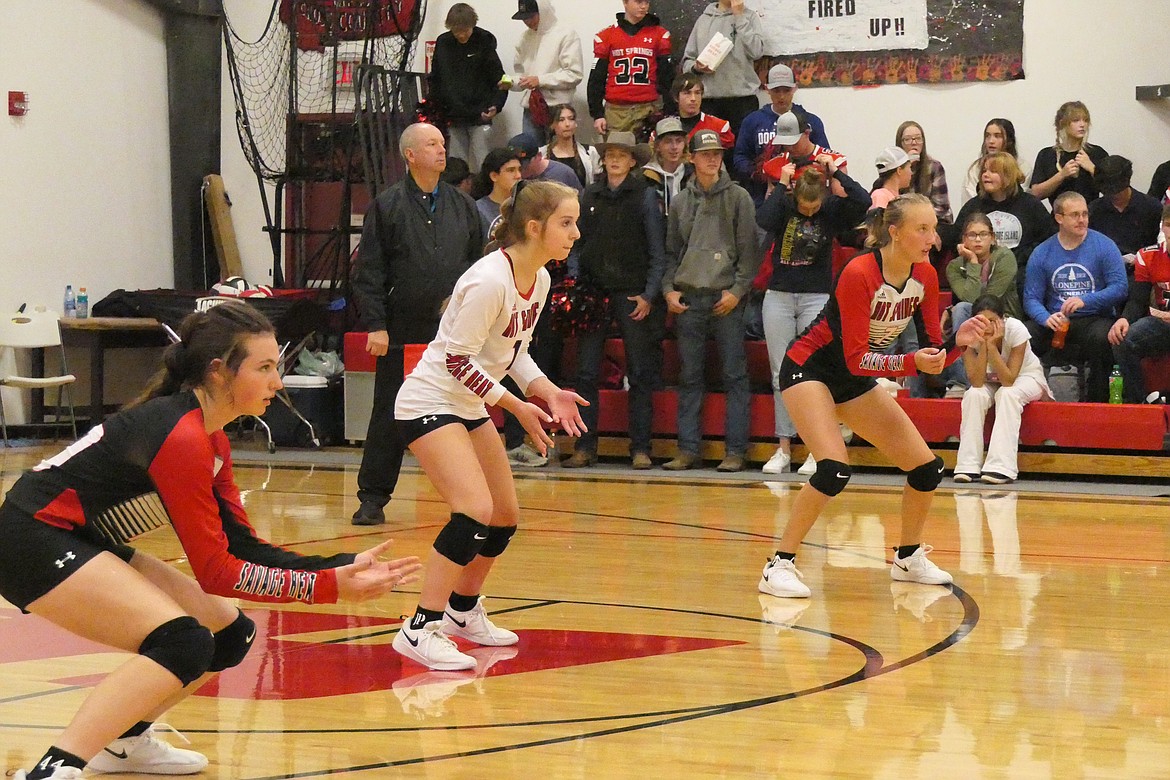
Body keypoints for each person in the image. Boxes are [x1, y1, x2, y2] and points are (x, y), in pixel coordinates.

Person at [0, 301, 422, 780]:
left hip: (73, 534)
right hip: (29, 539)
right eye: (264, 368)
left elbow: (241, 547)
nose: (277, 383)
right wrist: (328, 590)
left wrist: (335, 566)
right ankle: (54, 769)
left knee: (229, 634)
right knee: (181, 642)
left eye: (276, 368)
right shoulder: (180, 437)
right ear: (219, 372)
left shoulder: (209, 436)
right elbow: (217, 572)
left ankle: (123, 743)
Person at [391, 180, 588, 671]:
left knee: (504, 514)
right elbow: (457, 361)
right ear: (534, 227)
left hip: (470, 403)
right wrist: (516, 407)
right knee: (473, 510)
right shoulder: (488, 281)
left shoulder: (538, 280)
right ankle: (420, 628)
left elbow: (513, 353)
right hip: (429, 400)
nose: (576, 233)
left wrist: (545, 390)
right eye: (567, 223)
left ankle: (461, 613)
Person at [759, 194, 989, 599]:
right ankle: (779, 563)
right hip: (810, 369)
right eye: (922, 229)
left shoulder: (926, 275)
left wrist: (957, 345)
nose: (932, 238)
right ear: (894, 232)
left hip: (854, 376)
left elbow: (931, 357)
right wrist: (912, 362)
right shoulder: (859, 272)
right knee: (833, 469)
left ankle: (908, 557)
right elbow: (856, 359)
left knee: (926, 468)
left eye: (933, 229)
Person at [351, 123, 484, 526]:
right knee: (390, 413)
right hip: (402, 330)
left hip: (453, 332)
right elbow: (369, 270)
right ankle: (373, 498)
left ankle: (471, 497)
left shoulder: (463, 206)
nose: (442, 151)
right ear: (410, 155)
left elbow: (478, 266)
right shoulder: (387, 206)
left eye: (443, 144)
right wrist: (376, 323)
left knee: (462, 410)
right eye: (432, 144)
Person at [756, 162, 869, 474]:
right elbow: (762, 219)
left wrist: (837, 174)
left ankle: (815, 449)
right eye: (803, 206)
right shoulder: (784, 206)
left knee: (813, 374)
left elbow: (863, 202)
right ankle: (783, 448)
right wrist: (781, 184)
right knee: (781, 372)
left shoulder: (831, 210)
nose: (808, 212)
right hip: (779, 294)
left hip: (817, 296)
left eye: (814, 206)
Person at [561, 132, 665, 470]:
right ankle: (584, 445)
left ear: (633, 160)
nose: (615, 159)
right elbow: (576, 243)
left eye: (622, 154)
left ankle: (640, 448)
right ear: (603, 160)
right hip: (594, 291)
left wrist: (649, 294)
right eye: (610, 154)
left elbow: (657, 250)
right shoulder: (588, 194)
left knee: (639, 371)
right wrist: (575, 281)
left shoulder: (646, 197)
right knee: (586, 371)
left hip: (632, 292)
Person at [662, 129, 761, 472]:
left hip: (726, 300)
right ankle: (688, 449)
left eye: (717, 153)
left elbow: (750, 254)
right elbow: (671, 252)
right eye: (705, 154)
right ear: (691, 158)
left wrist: (737, 291)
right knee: (689, 377)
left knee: (735, 374)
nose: (712, 158)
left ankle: (736, 451)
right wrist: (668, 290)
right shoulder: (679, 201)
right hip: (689, 297)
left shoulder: (739, 198)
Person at [1022, 192, 1128, 403]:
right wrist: (1045, 318)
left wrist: (1086, 300)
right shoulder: (1042, 252)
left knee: (1102, 338)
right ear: (1059, 218)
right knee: (1024, 334)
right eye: (1075, 215)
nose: (1082, 220)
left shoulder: (1104, 246)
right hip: (1056, 320)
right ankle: (1031, 399)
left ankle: (1097, 403)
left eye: (1085, 214)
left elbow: (1120, 288)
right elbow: (1031, 298)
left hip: (1095, 317)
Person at [954, 294, 1052, 485]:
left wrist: (991, 346)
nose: (987, 326)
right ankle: (968, 465)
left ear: (1003, 319)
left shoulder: (1016, 329)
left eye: (993, 321)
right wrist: (984, 345)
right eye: (982, 321)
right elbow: (976, 381)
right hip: (991, 381)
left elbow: (1008, 380)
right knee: (973, 395)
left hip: (1026, 377)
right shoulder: (968, 335)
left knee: (1007, 394)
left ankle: (1001, 467)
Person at [953, 151, 1054, 288]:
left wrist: (1020, 257)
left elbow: (1048, 240)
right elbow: (956, 234)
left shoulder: (1030, 205)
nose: (985, 175)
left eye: (993, 171)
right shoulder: (973, 206)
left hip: (1020, 275)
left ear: (1008, 175)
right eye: (984, 171)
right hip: (982, 274)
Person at [733, 63, 829, 205]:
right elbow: (740, 157)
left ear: (795, 88)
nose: (782, 96)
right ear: (767, 89)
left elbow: (823, 158)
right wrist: (763, 174)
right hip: (762, 198)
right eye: (776, 90)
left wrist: (799, 178)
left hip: (804, 198)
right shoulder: (752, 121)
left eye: (786, 90)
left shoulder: (811, 122)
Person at [427, 4, 507, 170]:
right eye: (457, 32)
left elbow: (499, 78)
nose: (462, 35)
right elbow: (435, 77)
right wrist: (436, 109)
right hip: (453, 114)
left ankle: (483, 194)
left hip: (480, 114)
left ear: (473, 25)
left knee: (482, 162)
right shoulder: (443, 43)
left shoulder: (484, 40)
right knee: (456, 164)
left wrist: (496, 105)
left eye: (465, 30)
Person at [679, 0, 766, 139]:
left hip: (743, 100)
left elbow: (756, 51)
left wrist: (739, 17)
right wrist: (696, 67)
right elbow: (687, 62)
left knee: (742, 152)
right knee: (709, 153)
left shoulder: (749, 17)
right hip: (710, 100)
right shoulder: (704, 20)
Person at [1109, 204, 1170, 402]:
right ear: (1162, 228)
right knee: (1123, 339)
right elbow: (1138, 299)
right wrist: (1125, 319)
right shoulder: (1148, 256)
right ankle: (1140, 403)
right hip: (1162, 325)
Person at [588, 0, 674, 138]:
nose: (644, 6)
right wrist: (597, 114)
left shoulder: (659, 34)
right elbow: (597, 77)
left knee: (647, 155)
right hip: (616, 111)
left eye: (647, 2)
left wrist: (669, 108)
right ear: (625, 3)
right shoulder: (606, 36)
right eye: (639, 1)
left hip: (648, 109)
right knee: (617, 155)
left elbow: (667, 76)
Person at [509, 0, 584, 141]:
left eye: (531, 17)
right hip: (531, 107)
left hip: (558, 109)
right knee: (531, 157)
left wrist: (540, 80)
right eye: (524, 18)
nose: (527, 21)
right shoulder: (524, 38)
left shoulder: (566, 34)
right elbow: (522, 75)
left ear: (543, 12)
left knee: (559, 155)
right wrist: (511, 83)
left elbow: (574, 74)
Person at [1030, 101, 1109, 207]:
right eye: (1076, 120)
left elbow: (1112, 190)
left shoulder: (1097, 153)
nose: (1082, 125)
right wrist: (1062, 175)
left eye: (1085, 120)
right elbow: (1035, 194)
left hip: (1091, 217)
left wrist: (1092, 168)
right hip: (1060, 218)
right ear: (1062, 123)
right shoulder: (1047, 155)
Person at [1088, 155, 1162, 261]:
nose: (1114, 196)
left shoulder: (1152, 208)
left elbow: (1160, 246)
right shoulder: (1093, 210)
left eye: (1118, 191)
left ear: (1127, 182)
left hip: (1143, 268)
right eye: (1108, 192)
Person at [896, 121, 952, 229]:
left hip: (935, 222)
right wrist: (906, 167)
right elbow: (893, 203)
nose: (914, 143)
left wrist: (918, 220)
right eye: (907, 139)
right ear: (900, 144)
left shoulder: (934, 167)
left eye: (918, 138)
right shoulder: (896, 170)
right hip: (906, 223)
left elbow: (941, 207)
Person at [962, 118, 1027, 204]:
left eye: (997, 136)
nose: (991, 141)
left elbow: (1024, 200)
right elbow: (969, 201)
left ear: (1009, 140)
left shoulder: (1023, 167)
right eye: (988, 136)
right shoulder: (975, 168)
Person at [643, 116, 693, 216]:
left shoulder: (693, 174)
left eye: (679, 141)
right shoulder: (646, 177)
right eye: (668, 141)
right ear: (657, 146)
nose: (674, 147)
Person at [473, 147, 524, 242]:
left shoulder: (527, 205)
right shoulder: (477, 210)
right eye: (511, 170)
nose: (518, 175)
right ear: (494, 176)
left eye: (519, 170)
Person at [544, 103, 600, 188]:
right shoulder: (542, 154)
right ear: (552, 125)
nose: (567, 124)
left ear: (576, 123)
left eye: (571, 119)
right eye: (561, 120)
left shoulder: (590, 152)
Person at [673, 73, 735, 149]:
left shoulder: (719, 127)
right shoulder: (666, 127)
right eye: (687, 93)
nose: (693, 98)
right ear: (676, 97)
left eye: (697, 93)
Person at [508, 131, 583, 192]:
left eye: (524, 165)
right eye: (513, 168)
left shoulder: (563, 174)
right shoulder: (511, 178)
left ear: (539, 156)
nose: (520, 171)